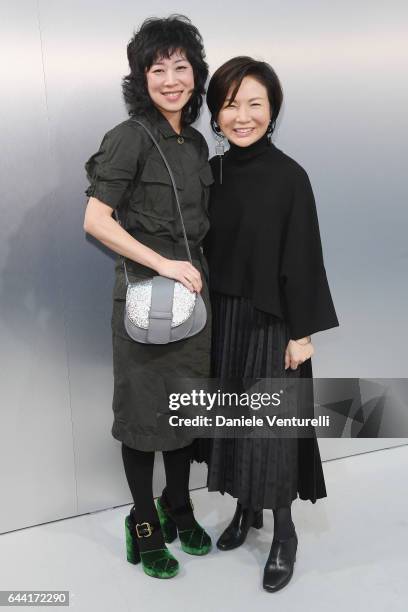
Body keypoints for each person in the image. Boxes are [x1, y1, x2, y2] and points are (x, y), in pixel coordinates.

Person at [83, 15, 214, 580]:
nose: (170, 78)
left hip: (194, 306)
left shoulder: (197, 141)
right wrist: (163, 263)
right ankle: (142, 521)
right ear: (140, 77)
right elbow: (95, 220)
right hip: (145, 301)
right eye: (156, 68)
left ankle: (178, 505)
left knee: (184, 413)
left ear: (195, 74)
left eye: (180, 66)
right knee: (142, 418)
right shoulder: (129, 137)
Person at [204, 56, 339, 592]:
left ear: (272, 110)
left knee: (274, 433)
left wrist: (301, 334)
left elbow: (304, 257)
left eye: (254, 103)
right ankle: (245, 511)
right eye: (230, 104)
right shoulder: (209, 173)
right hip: (223, 317)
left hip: (273, 323)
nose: (242, 116)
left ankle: (284, 531)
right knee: (234, 424)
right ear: (215, 114)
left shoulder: (290, 177)